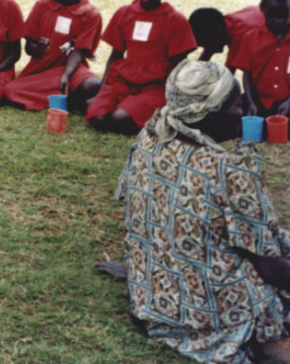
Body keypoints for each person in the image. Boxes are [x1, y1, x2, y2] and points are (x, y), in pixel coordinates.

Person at [97, 60, 290, 364]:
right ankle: (265, 341)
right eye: (237, 103)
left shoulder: (151, 135)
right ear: (211, 112)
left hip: (154, 296)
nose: (243, 112)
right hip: (209, 312)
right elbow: (268, 267)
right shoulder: (230, 167)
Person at [86, 0, 197, 134]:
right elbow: (115, 56)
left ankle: (146, 112)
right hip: (123, 81)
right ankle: (123, 105)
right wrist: (101, 92)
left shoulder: (175, 20)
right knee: (97, 118)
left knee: (119, 119)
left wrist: (177, 105)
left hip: (156, 86)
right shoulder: (124, 13)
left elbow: (179, 67)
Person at [4, 0, 101, 111]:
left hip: (72, 70)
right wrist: (37, 47)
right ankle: (76, 102)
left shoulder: (90, 14)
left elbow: (78, 51)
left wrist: (67, 75)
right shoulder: (42, 6)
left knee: (92, 84)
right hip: (40, 73)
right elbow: (29, 47)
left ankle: (74, 97)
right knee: (11, 90)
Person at [232, 0, 290, 118]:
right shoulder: (251, 37)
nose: (278, 21)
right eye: (273, 15)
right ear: (262, 8)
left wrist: (288, 102)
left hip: (287, 100)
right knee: (233, 119)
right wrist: (251, 102)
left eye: (284, 15)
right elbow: (247, 74)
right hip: (258, 100)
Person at [189, 5, 263, 70]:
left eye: (206, 44)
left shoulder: (239, 36)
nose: (207, 48)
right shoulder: (226, 22)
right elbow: (208, 52)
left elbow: (228, 76)